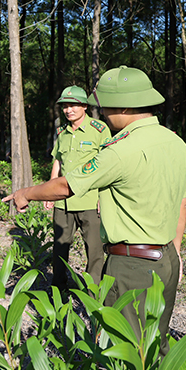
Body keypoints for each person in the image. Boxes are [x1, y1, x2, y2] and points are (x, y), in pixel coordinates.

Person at [4, 66, 186, 355]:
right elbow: (181, 202)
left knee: (131, 352)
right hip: (166, 259)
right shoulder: (176, 143)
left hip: (132, 266)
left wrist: (25, 193)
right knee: (158, 345)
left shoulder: (120, 150)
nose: (101, 112)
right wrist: (175, 252)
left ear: (125, 105)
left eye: (104, 106)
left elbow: (67, 186)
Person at [45, 86, 110, 291]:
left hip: (90, 200)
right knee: (59, 249)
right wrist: (49, 191)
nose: (68, 110)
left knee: (95, 251)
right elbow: (58, 161)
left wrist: (104, 197)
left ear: (84, 106)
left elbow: (108, 164)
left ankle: (93, 294)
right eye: (64, 106)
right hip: (63, 201)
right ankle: (59, 291)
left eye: (73, 105)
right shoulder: (62, 133)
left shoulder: (100, 130)